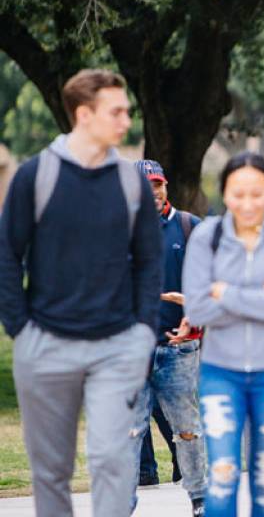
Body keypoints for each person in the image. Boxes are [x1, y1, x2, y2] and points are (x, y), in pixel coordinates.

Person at [0, 69, 162, 516]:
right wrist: (20, 329)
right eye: (117, 112)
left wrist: (143, 332)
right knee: (51, 470)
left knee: (112, 461)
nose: (127, 120)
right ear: (84, 114)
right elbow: (7, 254)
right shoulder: (35, 176)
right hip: (46, 344)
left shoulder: (130, 182)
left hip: (116, 346)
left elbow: (150, 262)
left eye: (127, 111)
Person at [183, 152, 264, 516]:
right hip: (221, 373)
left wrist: (225, 293)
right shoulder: (207, 237)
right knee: (222, 476)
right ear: (224, 193)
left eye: (257, 194)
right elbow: (197, 309)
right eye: (237, 194)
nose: (247, 204)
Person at [129, 159, 207, 516]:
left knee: (188, 430)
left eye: (158, 185)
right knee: (129, 433)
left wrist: (195, 308)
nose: (153, 192)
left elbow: (212, 283)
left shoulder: (190, 228)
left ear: (166, 186)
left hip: (179, 350)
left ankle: (200, 499)